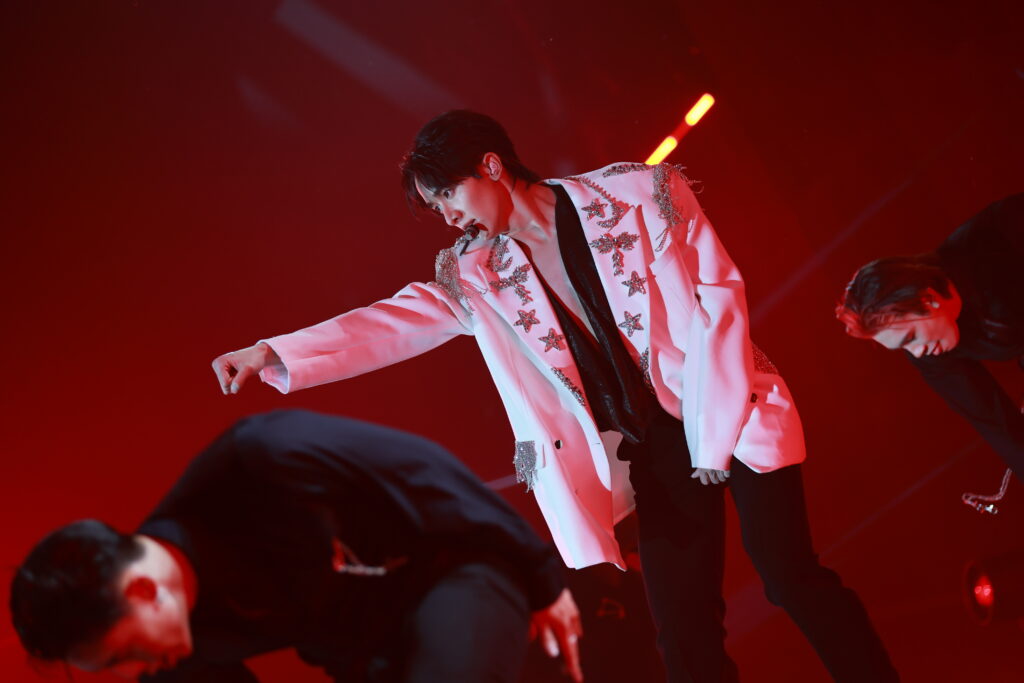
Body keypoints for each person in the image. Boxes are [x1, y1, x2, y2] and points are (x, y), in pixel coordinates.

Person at [212, 110, 897, 681]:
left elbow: (720, 297)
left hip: (728, 403)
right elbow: (391, 321)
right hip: (654, 447)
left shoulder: (638, 193)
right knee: (685, 634)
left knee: (790, 577)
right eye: (436, 208)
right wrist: (275, 352)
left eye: (446, 196)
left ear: (490, 165)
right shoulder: (477, 271)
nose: (447, 218)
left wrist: (713, 436)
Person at [9, 409, 581, 682]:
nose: (136, 671)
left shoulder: (261, 455)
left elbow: (423, 472)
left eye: (124, 656)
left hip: (450, 573)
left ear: (141, 590)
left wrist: (542, 580)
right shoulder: (181, 655)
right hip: (364, 650)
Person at [837, 193, 1023, 478]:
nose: (917, 352)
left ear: (929, 299)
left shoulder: (1003, 234)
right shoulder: (929, 349)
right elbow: (993, 420)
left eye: (911, 337)